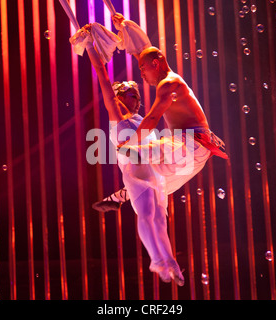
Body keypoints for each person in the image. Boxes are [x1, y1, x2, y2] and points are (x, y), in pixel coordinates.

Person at [76, 24, 185, 286]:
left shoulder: (143, 120)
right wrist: (91, 46)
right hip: (136, 174)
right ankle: (156, 259)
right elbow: (102, 76)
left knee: (160, 218)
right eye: (128, 94)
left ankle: (169, 260)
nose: (134, 99)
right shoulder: (117, 116)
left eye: (136, 95)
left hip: (155, 172)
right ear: (118, 97)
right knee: (147, 214)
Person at [94, 15, 228, 213]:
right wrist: (126, 27)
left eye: (142, 68)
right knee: (153, 178)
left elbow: (152, 119)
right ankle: (123, 194)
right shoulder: (169, 78)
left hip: (192, 144)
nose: (141, 74)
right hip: (195, 152)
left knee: (137, 154)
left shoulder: (168, 84)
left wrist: (128, 144)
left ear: (156, 64)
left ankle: (123, 193)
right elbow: (145, 51)